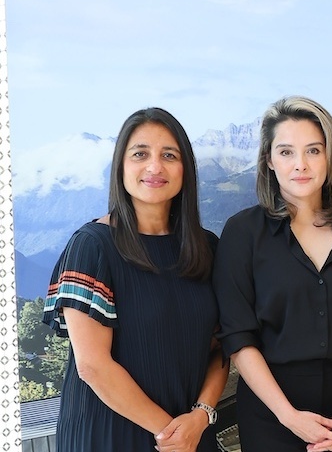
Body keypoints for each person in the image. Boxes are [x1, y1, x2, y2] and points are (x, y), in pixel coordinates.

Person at [42, 107, 228, 452]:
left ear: (185, 169)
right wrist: (171, 434)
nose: (155, 167)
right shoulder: (92, 247)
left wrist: (201, 417)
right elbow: (93, 366)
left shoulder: (208, 249)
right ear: (121, 167)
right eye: (140, 154)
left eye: (169, 155)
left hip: (190, 433)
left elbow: (220, 349)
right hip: (110, 435)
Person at [213, 96, 332, 452]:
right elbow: (238, 337)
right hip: (272, 413)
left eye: (313, 151)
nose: (300, 164)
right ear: (268, 160)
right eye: (286, 152)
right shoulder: (243, 232)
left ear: (330, 156)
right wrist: (289, 416)